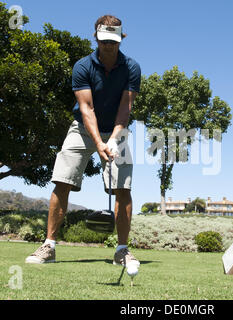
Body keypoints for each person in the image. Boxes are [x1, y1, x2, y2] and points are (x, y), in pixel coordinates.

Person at [25, 15, 141, 267]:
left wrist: (114, 138)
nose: (109, 46)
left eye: (114, 41)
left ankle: (122, 250)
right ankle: (49, 246)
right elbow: (86, 108)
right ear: (95, 37)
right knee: (62, 180)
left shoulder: (132, 68)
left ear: (122, 38)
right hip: (82, 128)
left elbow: (125, 108)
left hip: (117, 130)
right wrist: (99, 143)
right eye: (104, 41)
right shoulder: (82, 66)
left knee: (123, 187)